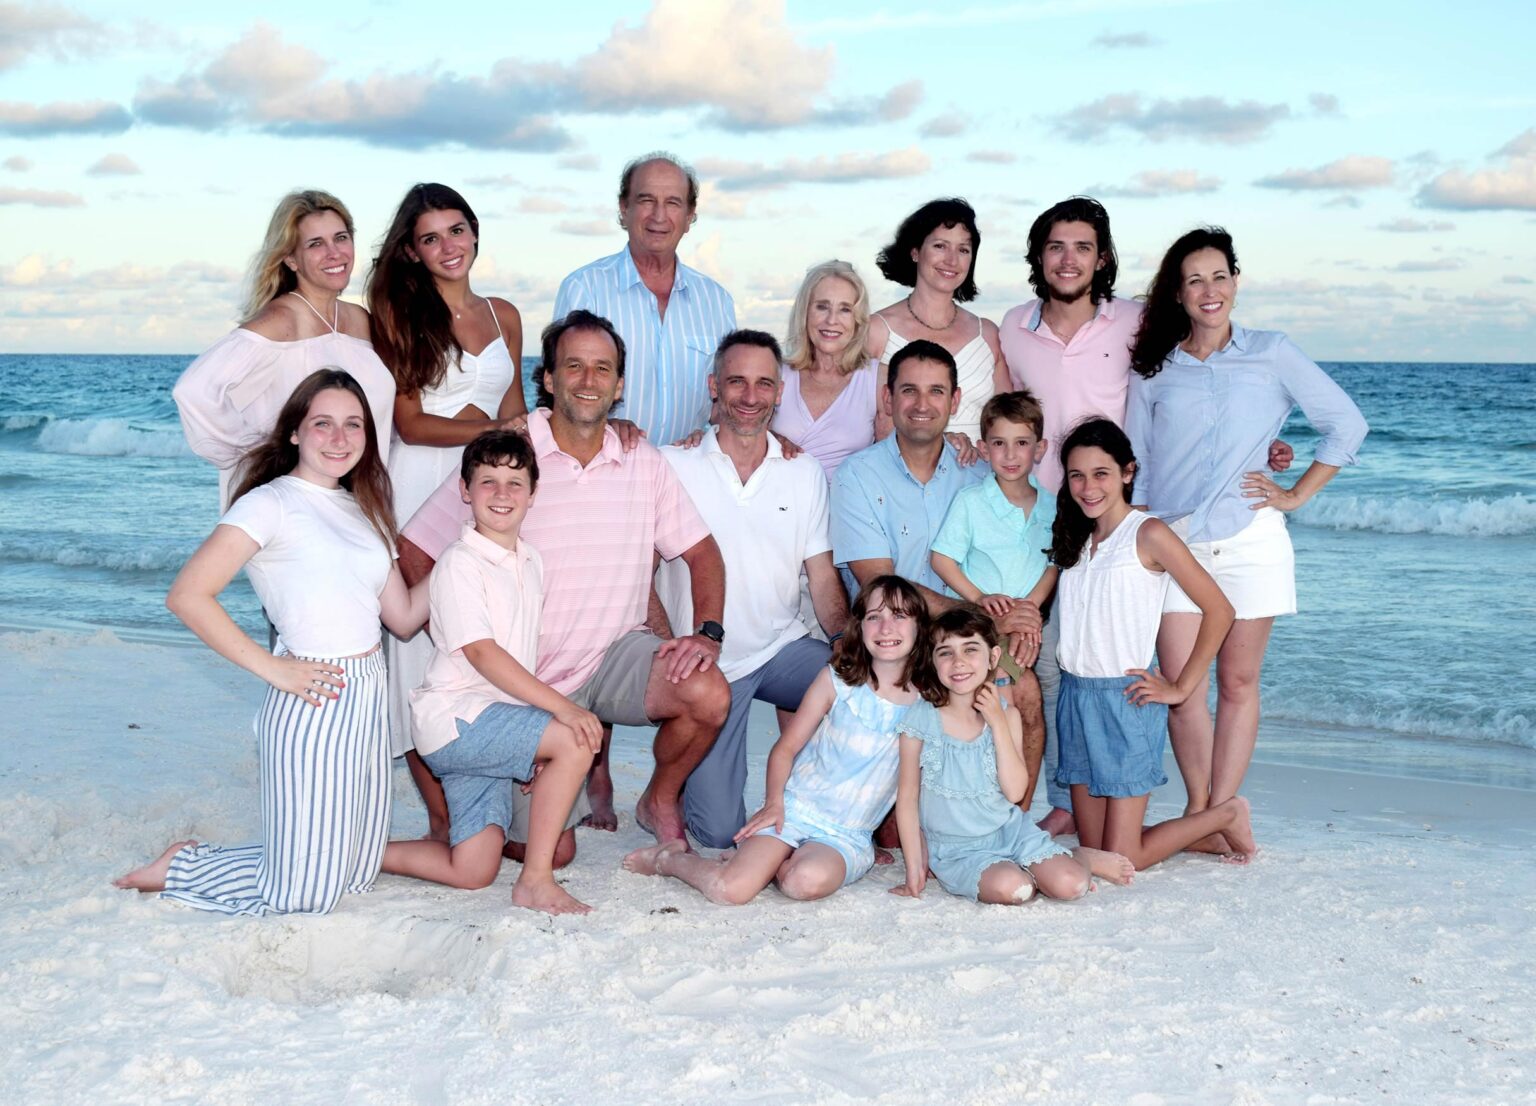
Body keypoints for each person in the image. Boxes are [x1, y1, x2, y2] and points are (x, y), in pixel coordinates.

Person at [998, 196, 1293, 837]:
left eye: (1083, 246)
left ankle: (1155, 798)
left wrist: (1263, 443)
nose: (1068, 258)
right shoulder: (1012, 326)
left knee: (1117, 654)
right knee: (1056, 658)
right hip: (1045, 517)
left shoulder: (1135, 320)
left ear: (1102, 257)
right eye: (1055, 246)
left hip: (1121, 519)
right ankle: (1067, 795)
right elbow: (1002, 409)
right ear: (1038, 257)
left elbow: (1196, 388)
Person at [398, 310, 730, 848]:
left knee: (708, 692)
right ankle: (505, 791)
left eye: (602, 369)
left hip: (614, 656)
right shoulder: (511, 453)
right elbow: (415, 549)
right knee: (554, 853)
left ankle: (659, 796)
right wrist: (460, 637)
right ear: (549, 379)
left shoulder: (640, 459)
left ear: (619, 385)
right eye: (573, 366)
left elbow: (704, 553)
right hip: (525, 682)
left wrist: (707, 634)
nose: (588, 380)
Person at [115, 370, 428, 913]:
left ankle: (258, 859)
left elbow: (401, 618)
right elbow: (188, 595)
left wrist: (470, 551)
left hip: (369, 691)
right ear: (294, 434)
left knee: (354, 874)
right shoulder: (270, 503)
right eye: (322, 424)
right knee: (304, 897)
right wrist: (273, 668)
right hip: (311, 692)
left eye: (353, 425)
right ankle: (184, 864)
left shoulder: (365, 510)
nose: (338, 438)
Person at [1126, 227, 1368, 853]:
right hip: (1177, 547)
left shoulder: (1272, 352)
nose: (1210, 291)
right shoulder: (1154, 369)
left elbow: (1346, 424)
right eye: (1195, 280)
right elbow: (1141, 464)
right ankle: (1209, 816)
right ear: (1178, 294)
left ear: (1236, 281)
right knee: (1181, 688)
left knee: (1236, 683)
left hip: (1252, 539)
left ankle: (1212, 813)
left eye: (1219, 276)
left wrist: (1293, 493)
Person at [380, 432, 599, 915]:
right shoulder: (459, 563)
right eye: (488, 482)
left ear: (533, 494)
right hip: (457, 721)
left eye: (515, 483)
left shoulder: (531, 561)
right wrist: (559, 712)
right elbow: (481, 653)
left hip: (488, 726)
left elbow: (519, 654)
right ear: (465, 489)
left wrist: (529, 740)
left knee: (473, 870)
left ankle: (357, 858)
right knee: (578, 737)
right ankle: (535, 881)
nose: (502, 495)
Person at [366, 183, 529, 811]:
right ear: (411, 251)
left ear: (475, 233)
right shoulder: (401, 316)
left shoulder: (504, 315)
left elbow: (514, 410)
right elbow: (409, 422)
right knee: (423, 645)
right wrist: (491, 437)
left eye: (456, 230)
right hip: (423, 478)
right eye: (430, 237)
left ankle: (487, 793)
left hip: (486, 487)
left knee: (491, 626)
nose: (447, 246)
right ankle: (442, 815)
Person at [656, 330, 849, 848]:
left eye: (764, 383)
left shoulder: (802, 470)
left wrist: (847, 643)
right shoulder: (673, 464)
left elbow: (823, 574)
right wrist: (661, 645)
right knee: (718, 834)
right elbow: (639, 570)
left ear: (780, 391)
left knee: (869, 685)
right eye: (736, 381)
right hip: (708, 668)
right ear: (713, 385)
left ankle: (830, 809)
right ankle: (664, 790)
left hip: (782, 648)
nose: (749, 396)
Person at [622, 576, 926, 904]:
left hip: (846, 834)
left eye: (899, 616)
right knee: (730, 891)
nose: (885, 627)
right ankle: (669, 858)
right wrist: (774, 803)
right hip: (795, 808)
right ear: (859, 626)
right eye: (873, 616)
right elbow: (786, 747)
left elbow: (909, 795)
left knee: (804, 883)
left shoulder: (926, 707)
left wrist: (915, 871)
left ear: (920, 628)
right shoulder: (837, 680)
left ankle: (774, 866)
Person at [1050, 418, 1256, 870]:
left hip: (1125, 701)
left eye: (1101, 473)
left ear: (1128, 472)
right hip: (1076, 699)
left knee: (1120, 858)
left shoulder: (1148, 534)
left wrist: (1181, 687)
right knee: (1097, 850)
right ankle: (1205, 836)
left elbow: (1219, 610)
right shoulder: (1077, 535)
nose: (1088, 487)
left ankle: (1226, 812)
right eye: (1077, 475)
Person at [891, 607, 1134, 903]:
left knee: (1072, 885)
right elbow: (906, 799)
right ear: (932, 661)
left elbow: (1016, 792)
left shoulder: (1008, 716)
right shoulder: (920, 719)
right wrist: (914, 868)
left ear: (993, 657)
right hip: (957, 848)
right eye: (945, 652)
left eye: (971, 650)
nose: (958, 663)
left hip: (1011, 832)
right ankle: (1027, 871)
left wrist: (997, 723)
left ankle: (1078, 856)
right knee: (1016, 890)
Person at [174, 190, 397, 507]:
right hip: (297, 506)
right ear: (291, 258)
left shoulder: (359, 319)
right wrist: (265, 454)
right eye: (316, 244)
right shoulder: (279, 320)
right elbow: (194, 392)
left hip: (361, 500)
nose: (334, 253)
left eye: (341, 238)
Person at [552, 152, 736, 445]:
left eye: (673, 203)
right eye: (646, 200)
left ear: (689, 217)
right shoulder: (584, 288)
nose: (659, 216)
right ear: (624, 208)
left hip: (687, 477)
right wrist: (606, 424)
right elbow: (557, 391)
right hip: (607, 469)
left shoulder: (717, 302)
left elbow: (727, 399)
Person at [929, 389, 1056, 804]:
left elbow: (1055, 563)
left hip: (1023, 624)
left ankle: (1020, 806)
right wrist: (980, 598)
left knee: (1026, 704)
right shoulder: (971, 502)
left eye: (1022, 443)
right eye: (999, 443)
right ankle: (978, 801)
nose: (1011, 454)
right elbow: (942, 560)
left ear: (1041, 448)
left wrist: (1030, 609)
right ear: (983, 449)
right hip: (976, 625)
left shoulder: (1053, 508)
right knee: (1017, 697)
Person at [868, 198, 1009, 445]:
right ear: (915, 252)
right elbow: (857, 423)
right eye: (940, 246)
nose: (952, 260)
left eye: (963, 250)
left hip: (979, 476)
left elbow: (1008, 421)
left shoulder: (987, 334)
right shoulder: (876, 331)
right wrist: (940, 445)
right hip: (901, 477)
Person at [773, 259, 890, 479]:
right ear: (805, 312)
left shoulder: (878, 380)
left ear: (857, 320)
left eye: (845, 309)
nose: (832, 320)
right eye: (822, 306)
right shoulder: (776, 372)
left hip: (847, 510)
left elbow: (897, 457)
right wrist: (771, 438)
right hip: (779, 506)